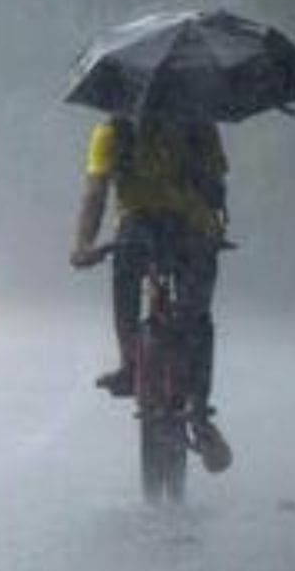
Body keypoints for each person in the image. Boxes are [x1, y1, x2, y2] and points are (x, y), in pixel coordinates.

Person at [70, 115, 233, 473]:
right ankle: (199, 411)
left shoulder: (113, 131)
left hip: (139, 231)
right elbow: (218, 185)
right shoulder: (199, 125)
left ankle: (130, 362)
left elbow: (96, 191)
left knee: (126, 277)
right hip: (192, 231)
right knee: (197, 315)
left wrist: (83, 245)